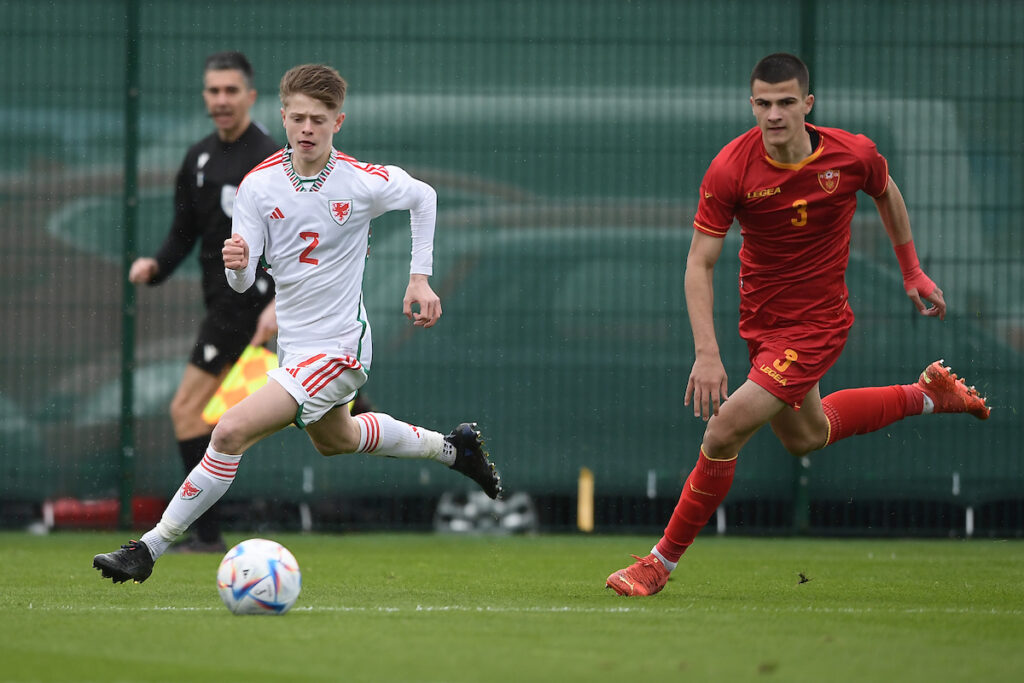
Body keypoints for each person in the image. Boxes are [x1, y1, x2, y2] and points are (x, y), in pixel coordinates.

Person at [94, 63, 502, 584]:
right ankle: (454, 449)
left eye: (320, 119)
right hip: (296, 350)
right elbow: (242, 286)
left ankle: (148, 549)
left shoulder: (360, 182)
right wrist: (237, 265)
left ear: (339, 122)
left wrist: (418, 279)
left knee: (228, 430)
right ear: (283, 118)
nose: (308, 129)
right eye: (299, 118)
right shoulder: (258, 187)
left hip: (341, 349)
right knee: (338, 438)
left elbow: (424, 196)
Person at [606, 53, 990, 597]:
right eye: (763, 103)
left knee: (723, 430)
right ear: (752, 105)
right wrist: (707, 352)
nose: (774, 113)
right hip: (762, 324)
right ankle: (924, 396)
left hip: (817, 325)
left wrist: (913, 271)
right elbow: (698, 262)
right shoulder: (730, 168)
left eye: (786, 102)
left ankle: (657, 564)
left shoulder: (851, 153)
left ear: (807, 105)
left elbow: (886, 190)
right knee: (807, 437)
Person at [128, 51, 280, 553]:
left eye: (230, 91)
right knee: (329, 427)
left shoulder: (271, 158)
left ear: (250, 97)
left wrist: (277, 305)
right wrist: (155, 268)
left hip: (251, 311)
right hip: (224, 308)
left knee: (189, 411)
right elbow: (183, 233)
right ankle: (449, 450)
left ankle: (207, 534)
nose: (220, 100)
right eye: (212, 91)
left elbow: (293, 242)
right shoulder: (197, 158)